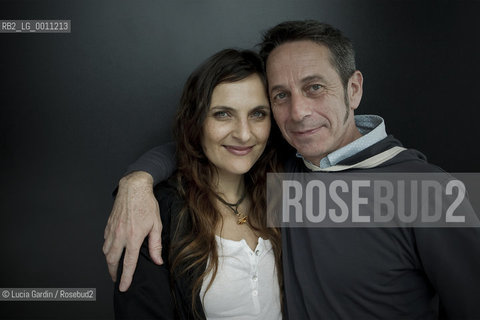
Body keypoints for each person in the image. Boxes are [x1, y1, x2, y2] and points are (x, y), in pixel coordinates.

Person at [105, 20, 480, 319]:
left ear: (353, 89)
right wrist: (138, 180)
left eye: (314, 87)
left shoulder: (430, 193)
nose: (298, 113)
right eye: (281, 95)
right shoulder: (285, 175)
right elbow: (207, 147)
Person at [113, 49, 283, 319]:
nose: (243, 133)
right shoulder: (158, 214)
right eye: (223, 114)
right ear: (196, 121)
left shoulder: (285, 193)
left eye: (258, 114)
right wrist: (137, 178)